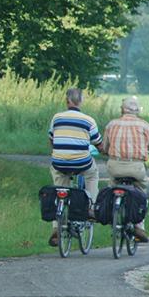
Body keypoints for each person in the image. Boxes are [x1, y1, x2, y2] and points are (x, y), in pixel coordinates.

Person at [103, 96, 149, 243]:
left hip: (115, 166)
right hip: (135, 167)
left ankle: (113, 212)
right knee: (141, 191)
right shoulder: (144, 126)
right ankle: (139, 226)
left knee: (112, 186)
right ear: (138, 111)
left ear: (122, 109)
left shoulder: (112, 125)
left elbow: (104, 148)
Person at [47, 87, 103, 247]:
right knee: (92, 174)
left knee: (59, 185)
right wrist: (105, 150)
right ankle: (91, 207)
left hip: (59, 161)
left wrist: (57, 152)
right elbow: (98, 144)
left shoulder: (56, 118)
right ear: (81, 101)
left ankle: (57, 226)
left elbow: (51, 139)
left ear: (67, 101)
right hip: (81, 162)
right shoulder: (88, 120)